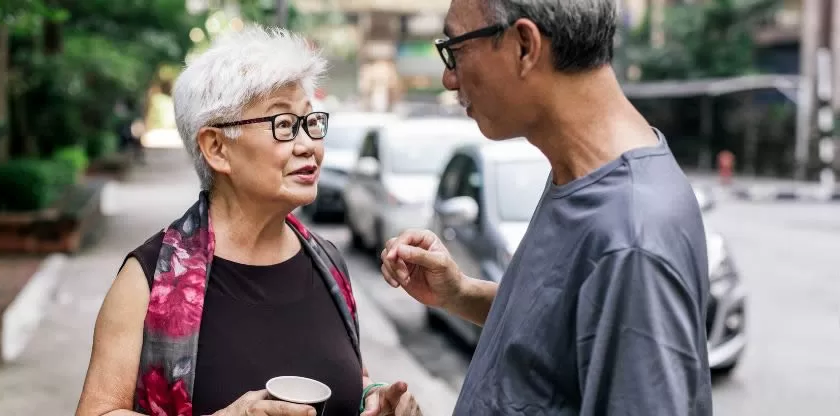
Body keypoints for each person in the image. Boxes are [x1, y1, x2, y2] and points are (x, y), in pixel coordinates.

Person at [380, 0, 714, 415]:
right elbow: (559, 332)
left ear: (524, 46)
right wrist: (462, 293)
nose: (449, 78)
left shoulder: (632, 232)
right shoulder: (579, 174)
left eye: (456, 49)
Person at [76, 26, 421, 416]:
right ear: (217, 148)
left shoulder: (327, 262)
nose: (308, 144)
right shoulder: (148, 279)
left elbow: (341, 378)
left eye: (310, 122)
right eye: (284, 125)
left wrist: (373, 396)